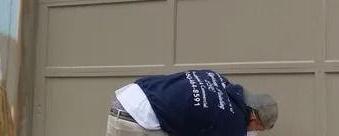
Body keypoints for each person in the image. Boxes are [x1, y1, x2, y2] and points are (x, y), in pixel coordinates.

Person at [108, 69, 278, 135]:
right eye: (258, 129)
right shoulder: (232, 123)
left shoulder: (217, 78)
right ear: (254, 119)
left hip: (125, 99)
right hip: (142, 121)